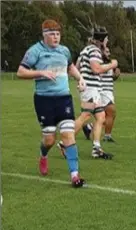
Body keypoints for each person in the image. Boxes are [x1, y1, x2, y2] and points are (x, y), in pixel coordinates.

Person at [16, 19, 86, 187]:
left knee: (68, 134)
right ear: (44, 35)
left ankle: (75, 176)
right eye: (52, 34)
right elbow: (20, 71)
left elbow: (70, 67)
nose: (56, 37)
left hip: (64, 98)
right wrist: (41, 72)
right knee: (49, 140)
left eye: (58, 34)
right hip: (44, 100)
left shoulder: (64, 50)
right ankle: (44, 155)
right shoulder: (35, 51)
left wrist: (80, 78)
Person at [73, 26, 116, 159]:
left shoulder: (85, 50)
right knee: (85, 116)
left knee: (100, 117)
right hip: (91, 89)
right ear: (102, 39)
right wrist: (112, 65)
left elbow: (77, 67)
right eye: (106, 39)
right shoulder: (95, 51)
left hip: (92, 89)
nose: (107, 41)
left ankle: (96, 148)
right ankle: (65, 142)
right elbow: (96, 69)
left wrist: (80, 80)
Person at [81, 46, 120, 143]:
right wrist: (112, 65)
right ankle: (107, 136)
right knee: (111, 112)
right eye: (106, 51)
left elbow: (112, 77)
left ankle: (89, 127)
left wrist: (116, 73)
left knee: (104, 115)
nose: (108, 53)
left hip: (107, 91)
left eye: (109, 51)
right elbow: (99, 71)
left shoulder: (107, 62)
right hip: (103, 91)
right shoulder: (99, 62)